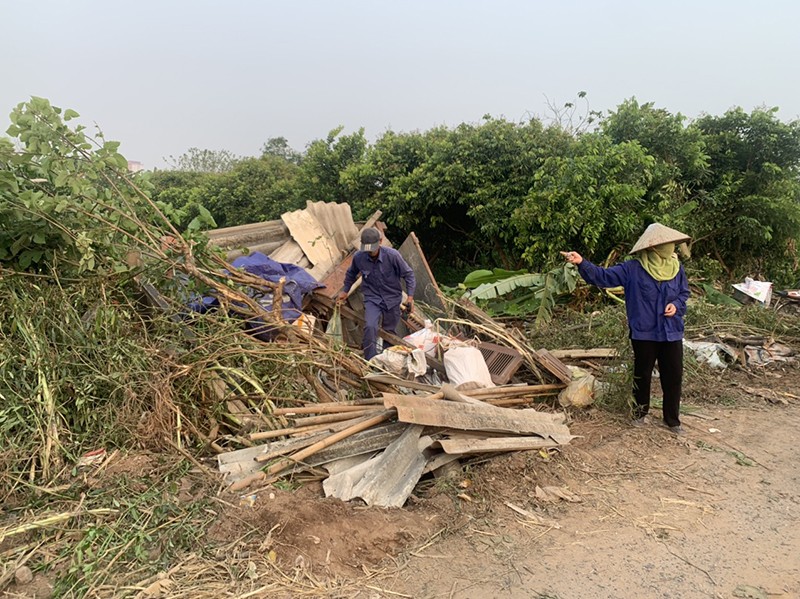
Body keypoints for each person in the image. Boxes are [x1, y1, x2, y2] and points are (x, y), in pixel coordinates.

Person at [561, 223, 691, 434]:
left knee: (673, 375)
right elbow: (603, 277)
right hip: (644, 331)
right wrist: (582, 262)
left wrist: (676, 305)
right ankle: (639, 414)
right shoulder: (632, 268)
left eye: (671, 244)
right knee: (642, 374)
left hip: (671, 331)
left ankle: (672, 420)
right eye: (666, 245)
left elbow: (684, 293)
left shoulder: (677, 268)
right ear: (654, 248)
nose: (671, 249)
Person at [338, 227, 416, 360]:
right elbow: (351, 274)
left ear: (380, 241)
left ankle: (387, 360)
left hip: (392, 298)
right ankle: (370, 361)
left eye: (372, 248)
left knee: (389, 332)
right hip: (372, 298)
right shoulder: (359, 257)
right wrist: (345, 291)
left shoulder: (392, 256)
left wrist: (410, 297)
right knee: (370, 326)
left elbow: (409, 275)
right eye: (367, 249)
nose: (370, 252)